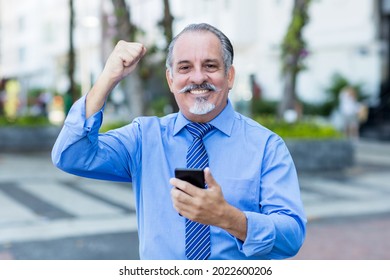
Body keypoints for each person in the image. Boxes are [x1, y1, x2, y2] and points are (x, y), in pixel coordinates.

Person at [52, 23, 306, 260]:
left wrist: (230, 219)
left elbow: (292, 234)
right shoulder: (143, 138)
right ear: (170, 80)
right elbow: (71, 155)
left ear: (229, 77)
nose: (197, 78)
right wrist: (108, 78)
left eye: (210, 66)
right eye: (184, 68)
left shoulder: (266, 146)